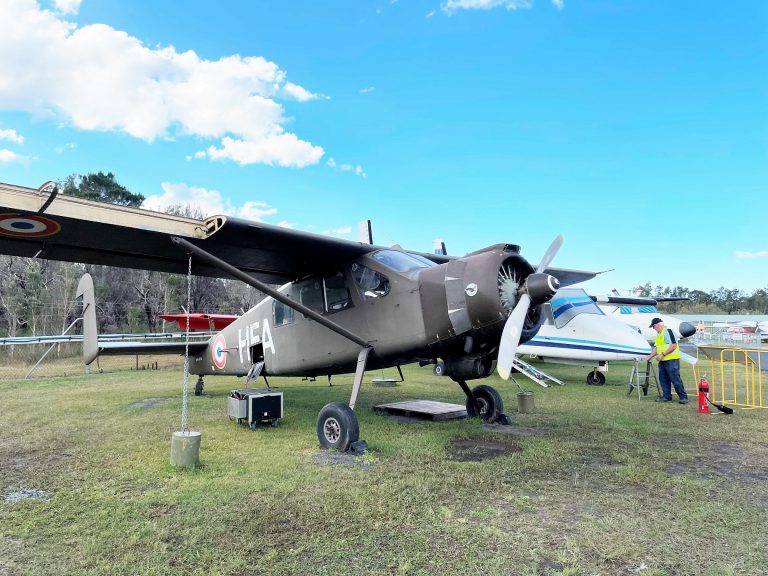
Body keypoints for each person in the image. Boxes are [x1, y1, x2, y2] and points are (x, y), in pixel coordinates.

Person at [646, 317, 689, 404]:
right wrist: (650, 356)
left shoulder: (668, 332)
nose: (654, 329)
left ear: (658, 325)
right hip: (662, 361)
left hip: (671, 360)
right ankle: (666, 397)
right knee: (663, 379)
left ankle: (683, 397)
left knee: (675, 379)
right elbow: (657, 348)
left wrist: (662, 354)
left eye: (654, 327)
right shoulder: (659, 335)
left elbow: (673, 345)